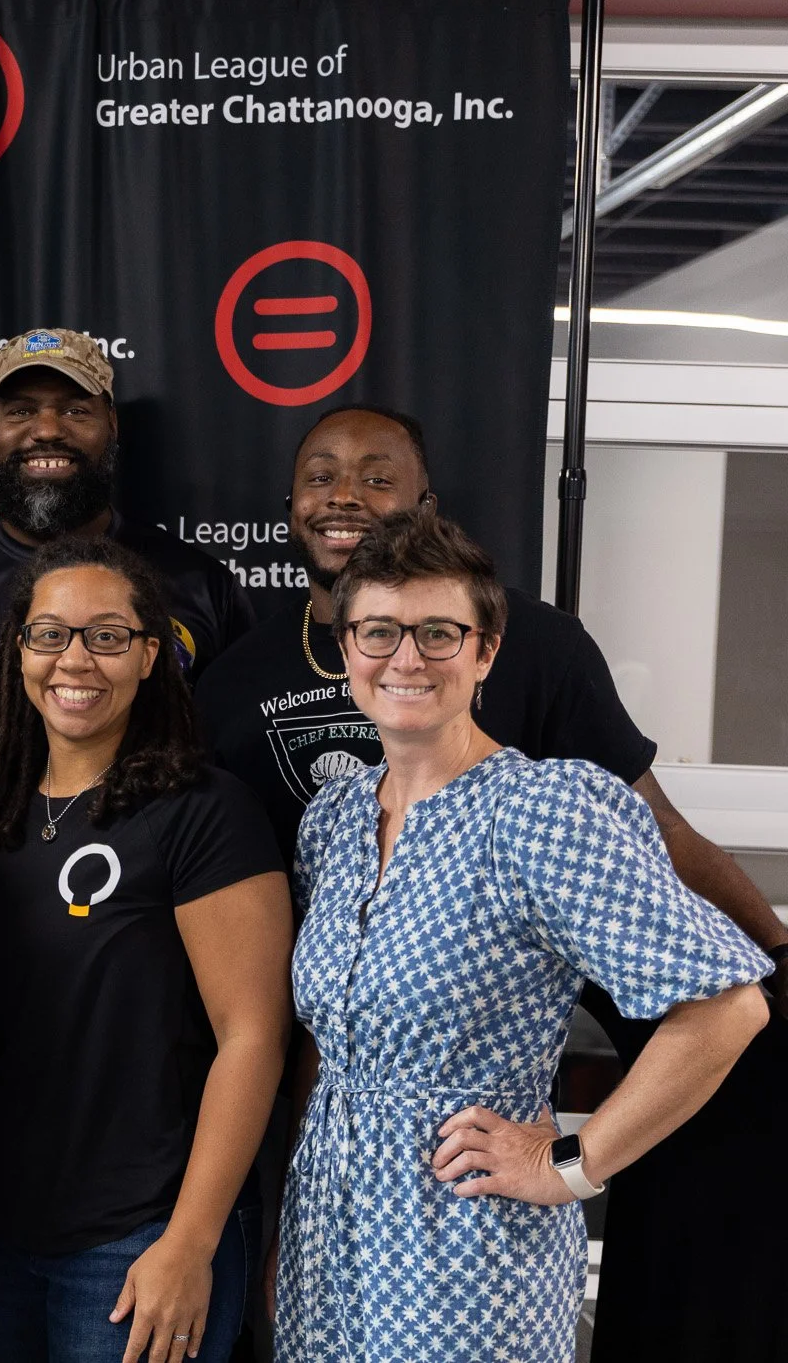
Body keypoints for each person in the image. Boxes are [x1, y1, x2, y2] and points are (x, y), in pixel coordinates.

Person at [193, 404, 788, 1357]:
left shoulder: (547, 810)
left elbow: (728, 1008)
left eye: (439, 632)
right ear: (346, 653)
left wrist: (570, 1165)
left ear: (487, 649)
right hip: (327, 1242)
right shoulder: (335, 822)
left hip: (469, 1252)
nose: (407, 658)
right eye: (379, 633)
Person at [0, 537, 292, 1363]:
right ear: (19, 650)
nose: (76, 659)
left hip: (142, 1237)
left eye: (107, 636)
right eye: (50, 635)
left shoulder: (203, 810)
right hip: (4, 1236)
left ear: (150, 656)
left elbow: (254, 1037)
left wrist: (190, 1240)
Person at [0, 327, 253, 795]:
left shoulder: (199, 583)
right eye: (21, 410)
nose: (47, 430)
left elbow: (237, 753)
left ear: (112, 423)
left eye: (74, 410)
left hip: (152, 862)